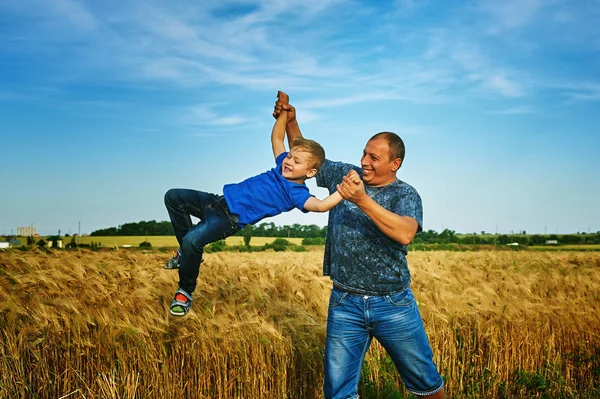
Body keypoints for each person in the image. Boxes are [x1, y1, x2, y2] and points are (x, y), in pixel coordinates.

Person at [273, 93, 446, 398]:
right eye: (364, 154)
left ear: (395, 163)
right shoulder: (346, 174)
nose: (364, 162)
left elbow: (405, 233)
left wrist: (362, 200)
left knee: (425, 385)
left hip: (392, 304)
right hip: (345, 303)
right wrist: (291, 118)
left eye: (373, 158)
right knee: (338, 393)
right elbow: (304, 156)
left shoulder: (404, 194)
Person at [163, 91, 358, 317]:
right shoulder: (280, 165)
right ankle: (185, 254)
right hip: (216, 201)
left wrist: (344, 191)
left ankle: (185, 291)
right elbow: (277, 139)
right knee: (173, 197)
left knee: (193, 240)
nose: (288, 161)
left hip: (227, 220)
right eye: (289, 156)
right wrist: (283, 114)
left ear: (311, 172)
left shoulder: (296, 192)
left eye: (296, 161)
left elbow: (322, 205)